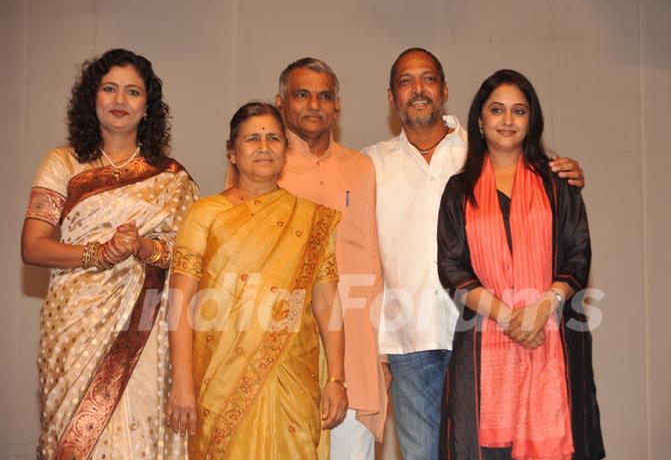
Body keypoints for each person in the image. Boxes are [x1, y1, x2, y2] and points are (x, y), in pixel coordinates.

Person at [363, 48, 586, 460]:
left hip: (486, 336)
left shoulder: (481, 150)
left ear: (445, 90)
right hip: (410, 339)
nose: (418, 89)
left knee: (488, 452)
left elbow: (548, 208)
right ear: (391, 97)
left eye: (428, 79)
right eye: (406, 81)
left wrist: (568, 172)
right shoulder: (370, 164)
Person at [21, 48, 198, 459]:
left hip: (147, 324)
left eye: (133, 92)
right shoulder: (62, 163)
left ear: (148, 106)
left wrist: (144, 247)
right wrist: (98, 254)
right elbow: (33, 246)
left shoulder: (170, 178)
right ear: (93, 99)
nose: (120, 100)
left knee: (141, 431)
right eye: (110, 89)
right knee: (75, 434)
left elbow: (190, 256)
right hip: (75, 322)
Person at [436, 69, 604, 459]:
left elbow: (578, 255)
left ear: (532, 121)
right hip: (484, 344)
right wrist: (511, 318)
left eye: (519, 111)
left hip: (553, 336)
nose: (507, 120)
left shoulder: (558, 181)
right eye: (497, 110)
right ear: (479, 119)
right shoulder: (459, 190)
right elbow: (451, 266)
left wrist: (541, 309)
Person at [165, 102, 348, 459]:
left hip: (292, 378)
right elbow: (180, 303)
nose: (264, 146)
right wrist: (182, 382)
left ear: (285, 150)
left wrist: (337, 379)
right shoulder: (205, 214)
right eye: (252, 139)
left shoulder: (312, 220)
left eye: (273, 138)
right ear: (232, 153)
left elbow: (328, 305)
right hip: (218, 380)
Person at [273, 58, 388, 459]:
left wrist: (382, 350)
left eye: (324, 96)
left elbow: (376, 258)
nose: (313, 105)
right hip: (282, 342)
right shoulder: (265, 165)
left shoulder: (362, 168)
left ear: (337, 105)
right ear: (281, 102)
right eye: (301, 94)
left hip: (355, 341)